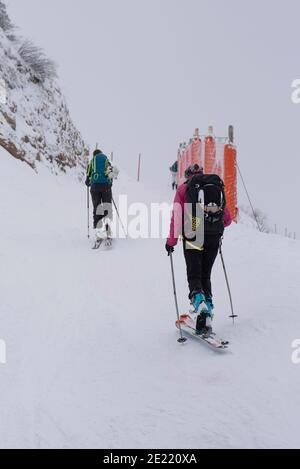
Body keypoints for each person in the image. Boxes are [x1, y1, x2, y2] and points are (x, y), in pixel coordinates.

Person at [165, 164, 232, 334]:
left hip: (194, 230)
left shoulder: (184, 189)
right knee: (205, 275)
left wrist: (171, 242)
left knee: (194, 275)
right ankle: (207, 310)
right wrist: (213, 226)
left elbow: (177, 217)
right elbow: (228, 219)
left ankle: (200, 304)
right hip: (214, 235)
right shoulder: (214, 187)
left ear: (187, 175)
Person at [85, 149, 115, 242]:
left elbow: (87, 180)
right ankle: (108, 233)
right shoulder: (107, 160)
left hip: (95, 188)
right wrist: (109, 184)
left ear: (94, 155)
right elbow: (112, 175)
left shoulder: (91, 162)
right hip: (106, 187)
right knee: (107, 209)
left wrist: (90, 183)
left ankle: (99, 233)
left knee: (97, 209)